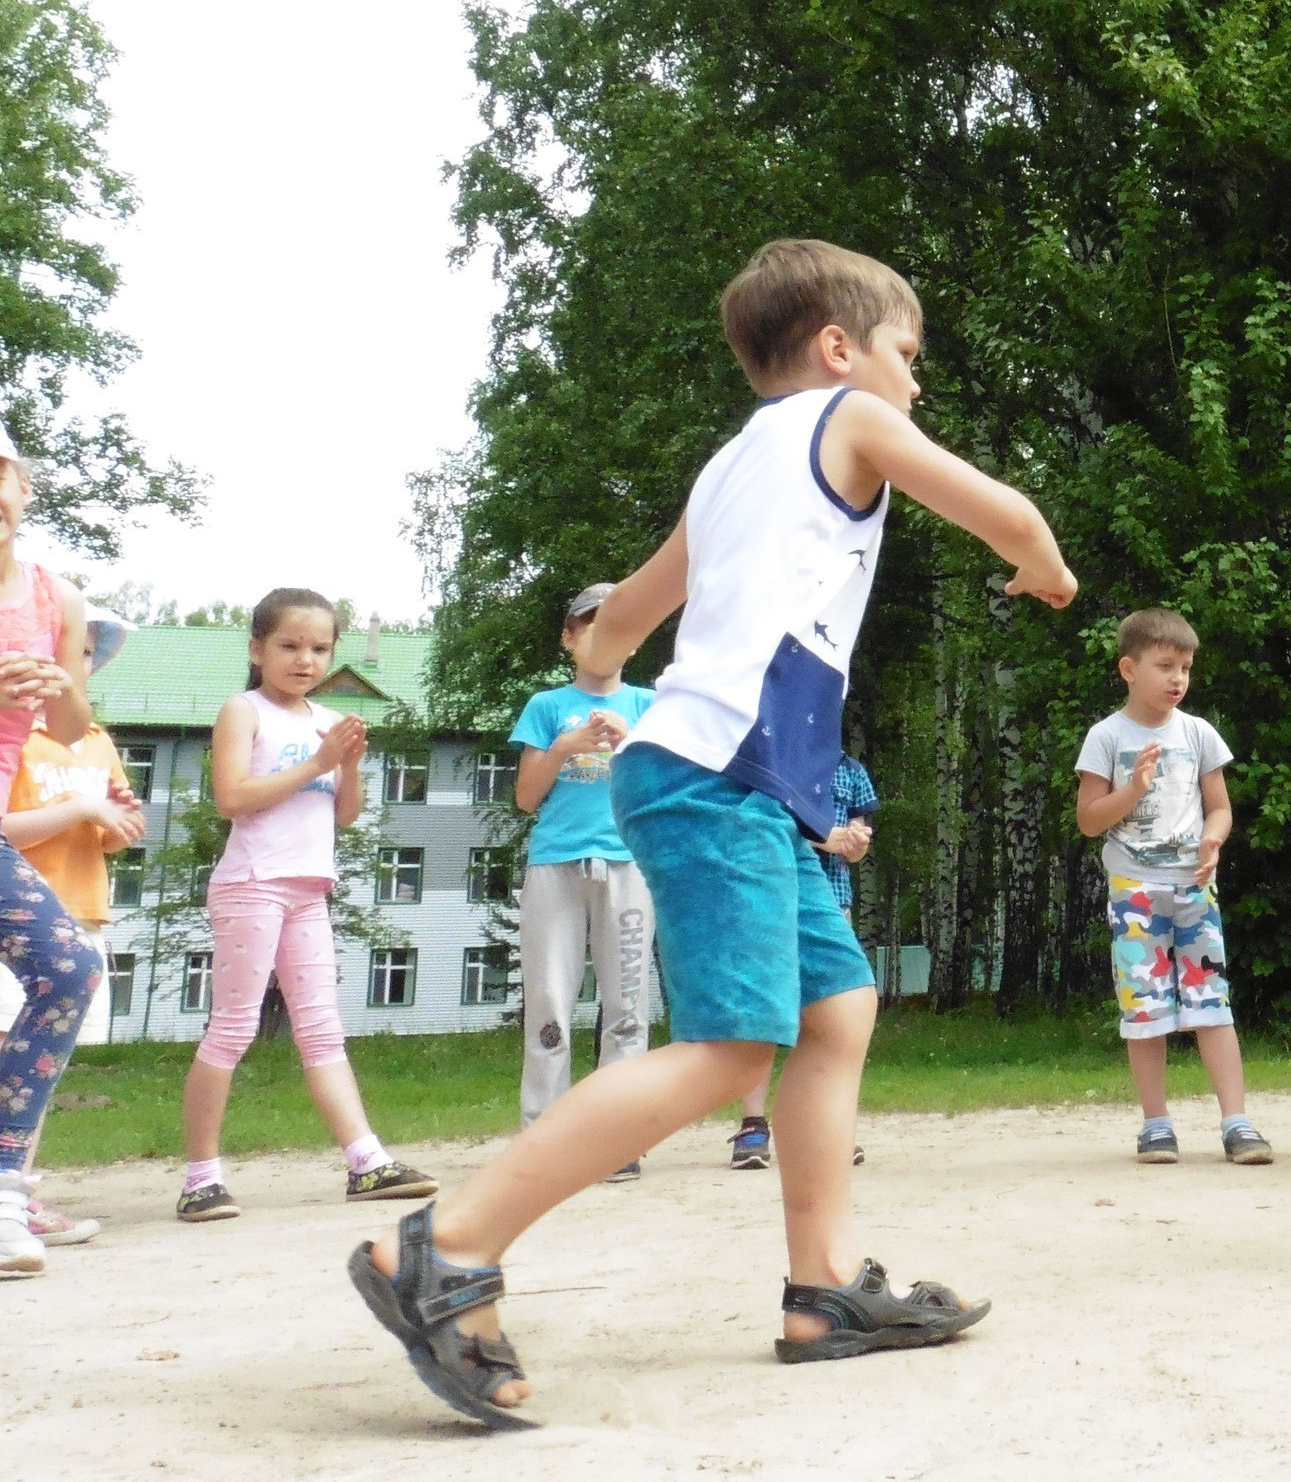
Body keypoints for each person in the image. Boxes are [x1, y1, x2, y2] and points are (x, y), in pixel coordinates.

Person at [353, 238, 1076, 1428]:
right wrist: (1043, 570)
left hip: (733, 779)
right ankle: (445, 1247)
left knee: (837, 1009)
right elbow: (1006, 512)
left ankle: (825, 1287)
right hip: (717, 777)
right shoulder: (848, 416)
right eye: (910, 352)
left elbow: (622, 620)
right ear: (841, 349)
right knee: (737, 1048)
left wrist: (602, 661)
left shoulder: (733, 466)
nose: (916, 380)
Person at [176, 589, 439, 1223]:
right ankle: (200, 1178)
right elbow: (232, 797)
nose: (305, 660)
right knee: (234, 1025)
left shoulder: (326, 719)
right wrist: (320, 760)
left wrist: (347, 767)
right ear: (257, 649)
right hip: (252, 882)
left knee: (322, 1027)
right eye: (290, 646)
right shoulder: (244, 710)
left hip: (307, 888)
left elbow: (344, 815)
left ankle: (367, 1161)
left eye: (320, 648)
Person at [1076, 608, 1270, 1165]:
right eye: (1165, 665)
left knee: (1213, 1004)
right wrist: (1133, 789)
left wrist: (1213, 842)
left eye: (1185, 667)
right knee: (1146, 1011)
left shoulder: (1198, 732)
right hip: (1135, 891)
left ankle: (1238, 1123)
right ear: (1128, 669)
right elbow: (1089, 819)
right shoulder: (1106, 737)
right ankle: (1156, 1125)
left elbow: (1221, 809)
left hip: (1193, 890)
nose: (1178, 678)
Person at [0, 592, 132, 1265]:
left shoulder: (95, 741)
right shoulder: (16, 737)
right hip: (18, 908)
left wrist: (112, 822)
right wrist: (79, 806)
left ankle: (13, 1193)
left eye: (81, 652)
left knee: (37, 1058)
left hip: (75, 905)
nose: (70, 661)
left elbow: (105, 830)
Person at [509, 582, 657, 1178]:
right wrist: (566, 746)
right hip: (556, 863)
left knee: (627, 1003)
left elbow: (665, 789)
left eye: (616, 624)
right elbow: (525, 797)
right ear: (569, 637)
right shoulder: (546, 707)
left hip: (628, 863)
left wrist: (633, 747)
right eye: (588, 624)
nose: (602, 635)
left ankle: (617, 1138)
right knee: (548, 996)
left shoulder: (649, 706)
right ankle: (542, 1136)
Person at [735, 753, 881, 1170]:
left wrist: (855, 844)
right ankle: (752, 1126)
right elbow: (753, 821)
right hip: (766, 892)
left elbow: (856, 841)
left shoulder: (852, 770)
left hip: (832, 901)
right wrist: (821, 837)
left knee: (831, 1016)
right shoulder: (762, 758)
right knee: (763, 1009)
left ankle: (827, 1128)